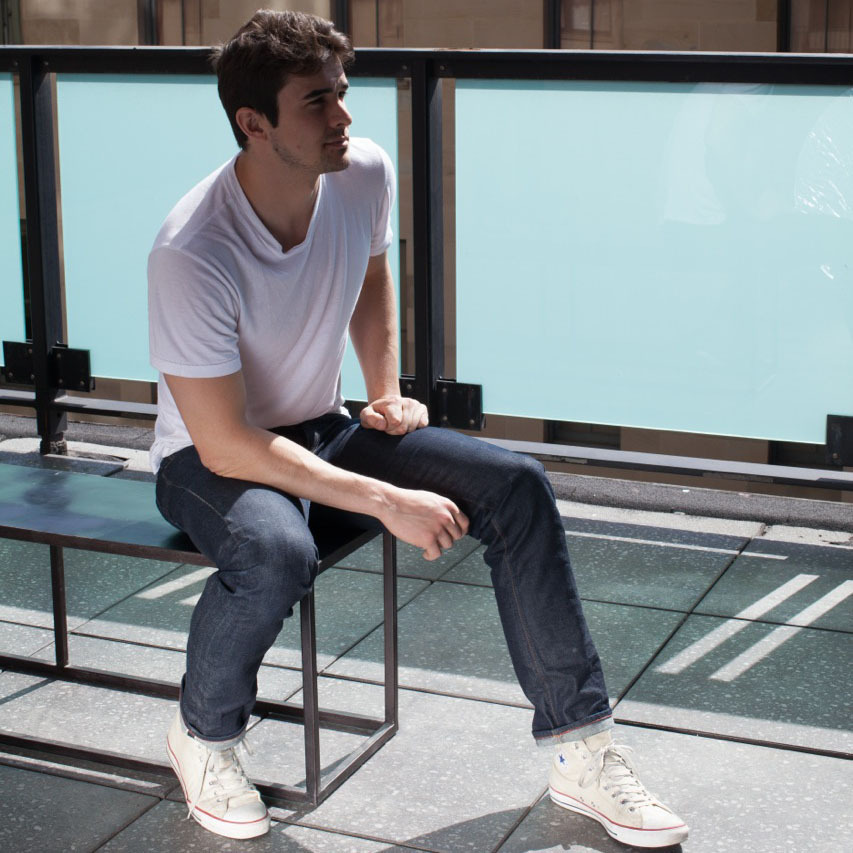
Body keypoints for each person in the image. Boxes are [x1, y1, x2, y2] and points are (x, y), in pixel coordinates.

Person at [147, 9, 689, 848]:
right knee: (276, 549)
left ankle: (580, 748)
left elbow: (369, 275)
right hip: (207, 458)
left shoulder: (360, 172)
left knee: (515, 484)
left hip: (323, 427)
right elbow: (224, 442)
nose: (343, 116)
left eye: (342, 91)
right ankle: (204, 735)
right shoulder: (192, 249)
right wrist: (384, 497)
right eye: (316, 102)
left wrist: (384, 391)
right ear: (253, 123)